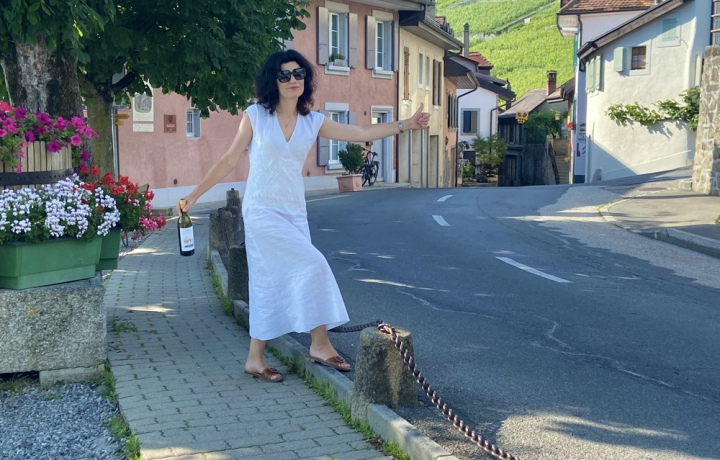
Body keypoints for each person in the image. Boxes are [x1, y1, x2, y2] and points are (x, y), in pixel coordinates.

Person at [178, 49, 430, 383]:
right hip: (262, 211)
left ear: (305, 79)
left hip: (294, 212)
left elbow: (360, 133)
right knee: (313, 265)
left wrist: (405, 124)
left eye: (298, 73)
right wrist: (194, 195)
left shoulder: (313, 121)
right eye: (284, 75)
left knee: (268, 280)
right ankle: (320, 343)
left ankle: (254, 358)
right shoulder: (255, 116)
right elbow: (228, 159)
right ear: (273, 81)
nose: (292, 80)